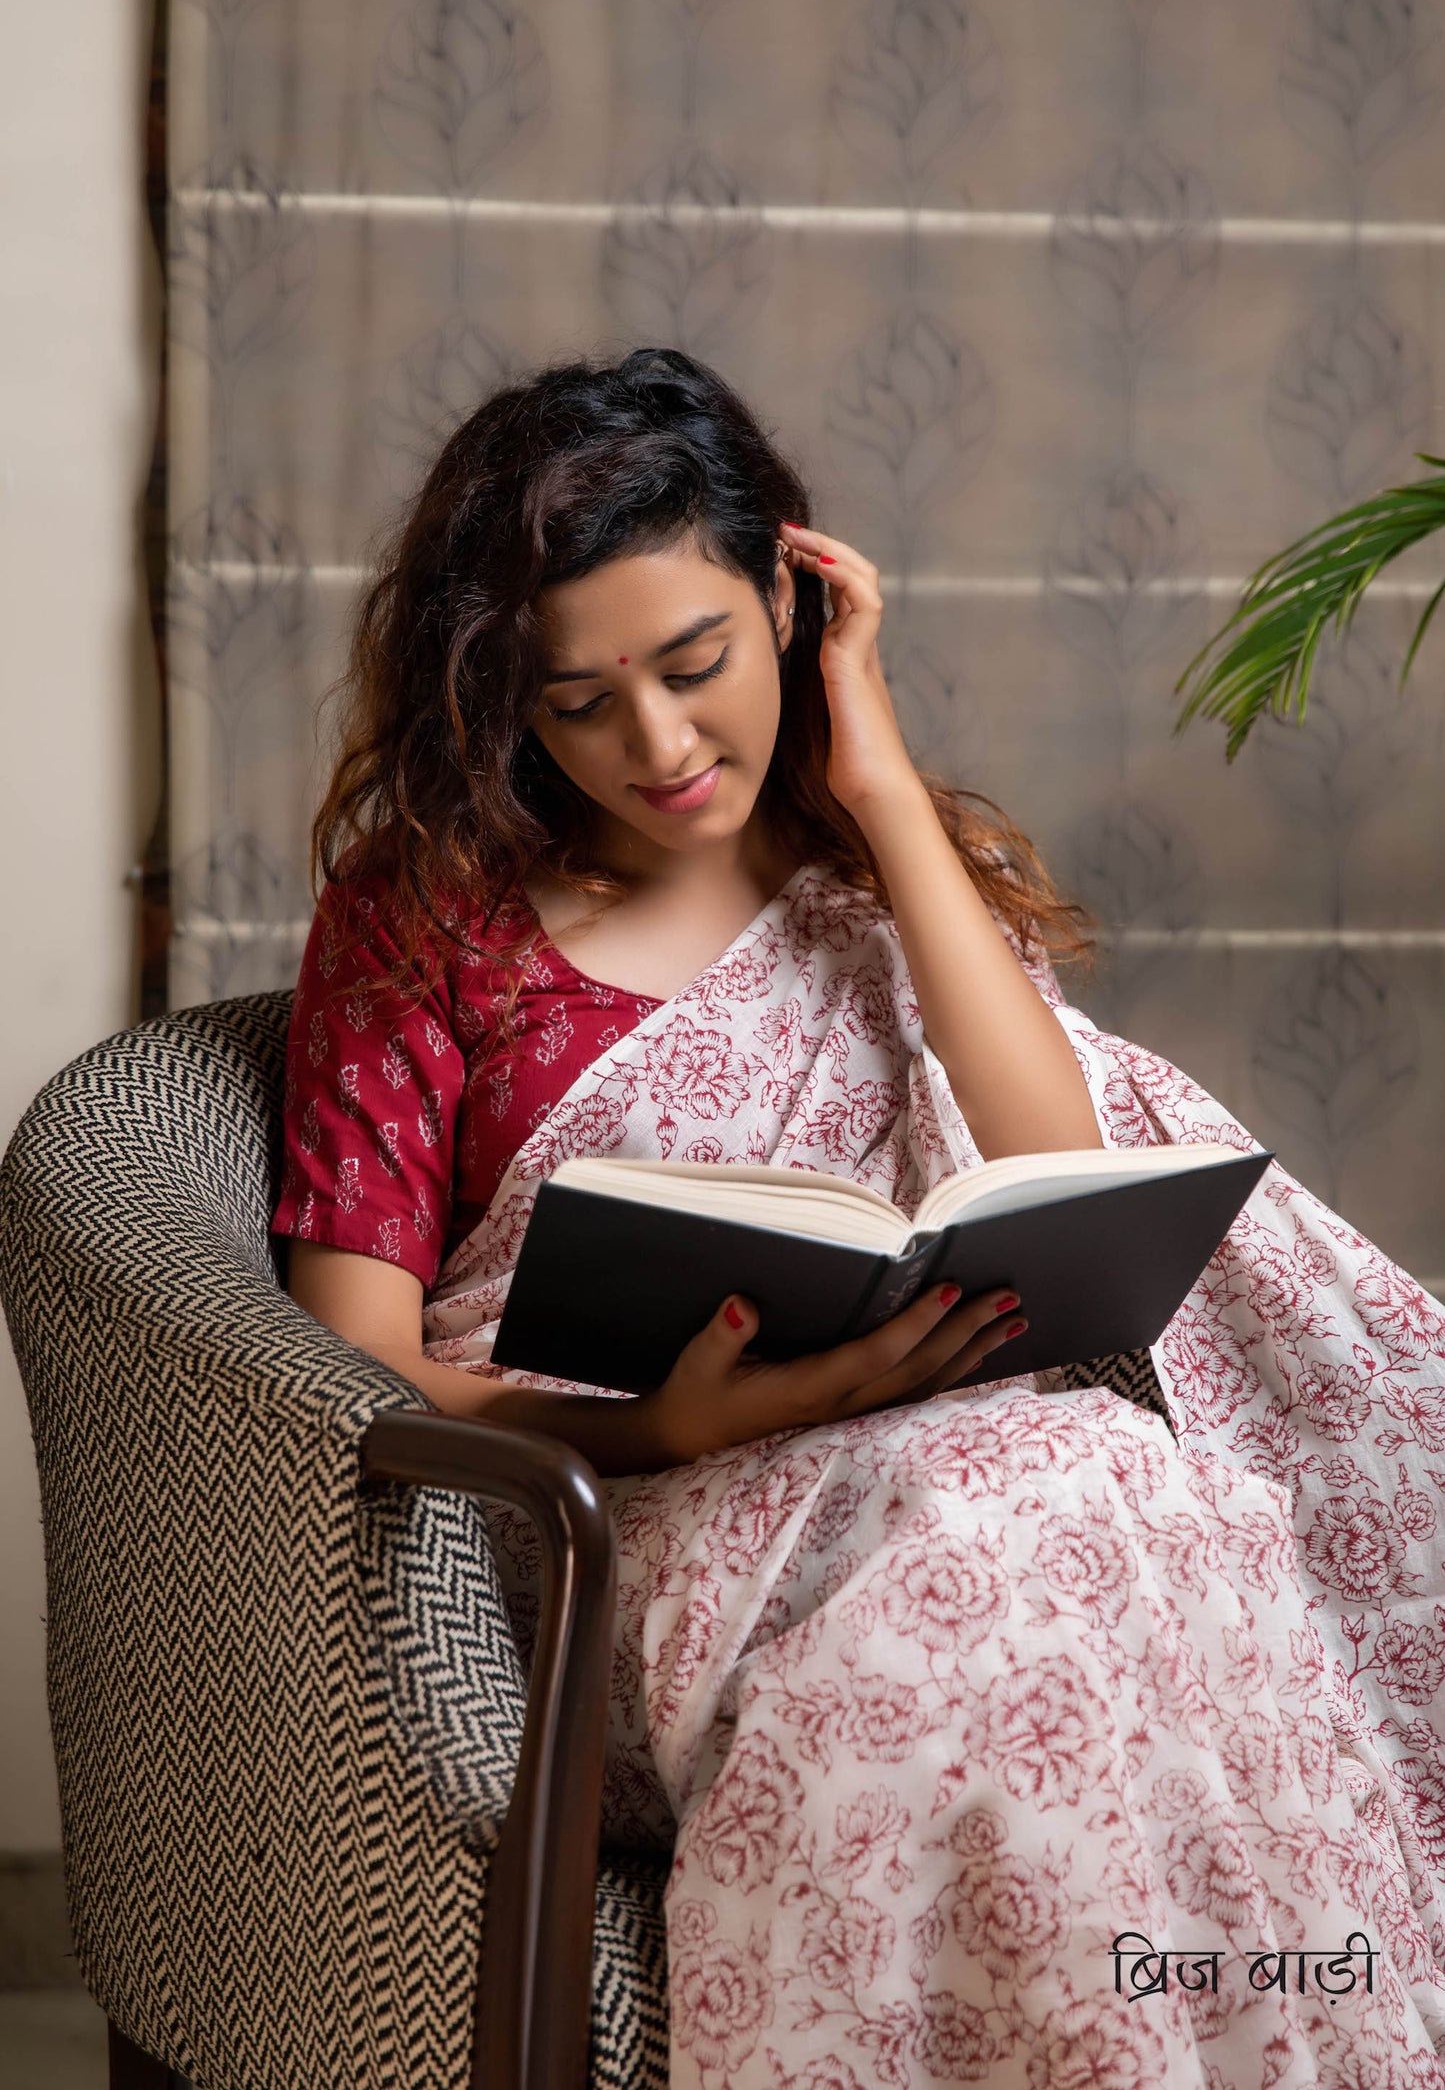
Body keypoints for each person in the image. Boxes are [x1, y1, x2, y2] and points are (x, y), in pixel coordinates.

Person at [272, 345, 1445, 2088]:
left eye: (696, 665)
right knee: (1048, 1540)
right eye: (579, 702)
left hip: (958, 1473)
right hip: (614, 1531)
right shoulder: (425, 921)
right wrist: (662, 1428)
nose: (660, 746)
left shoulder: (874, 871)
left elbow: (1053, 1158)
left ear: (790, 598)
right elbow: (347, 1370)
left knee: (1140, 1494)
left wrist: (882, 789)